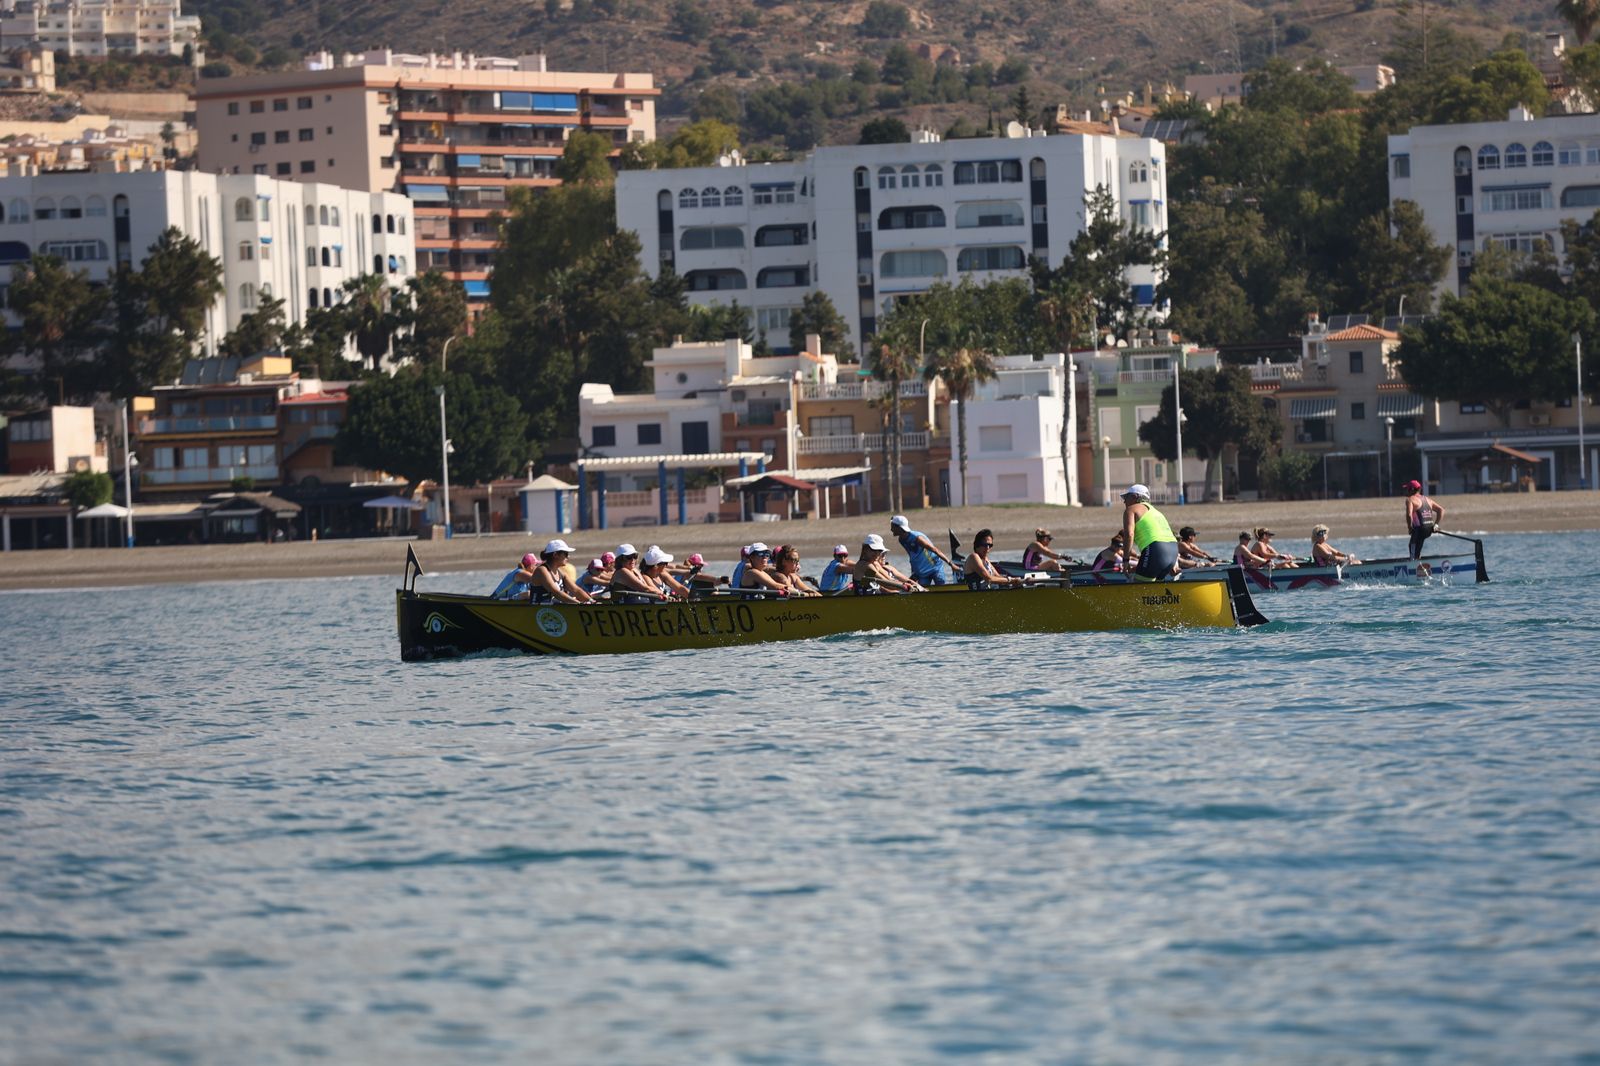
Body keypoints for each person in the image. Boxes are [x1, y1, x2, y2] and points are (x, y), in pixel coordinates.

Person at [1119, 483, 1180, 581]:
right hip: (1173, 550)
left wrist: (1126, 560)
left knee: (1140, 586)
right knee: (1155, 588)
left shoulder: (1131, 509)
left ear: (1134, 497)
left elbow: (1129, 535)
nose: (1124, 501)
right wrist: (1174, 562)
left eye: (1126, 497)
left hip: (1156, 549)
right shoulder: (1157, 512)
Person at [889, 515, 956, 585]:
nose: (891, 529)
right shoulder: (901, 540)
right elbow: (912, 556)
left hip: (935, 567)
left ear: (899, 528)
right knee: (922, 589)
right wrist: (914, 572)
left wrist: (951, 564)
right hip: (922, 572)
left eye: (892, 527)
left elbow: (935, 550)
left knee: (941, 586)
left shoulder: (917, 538)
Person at [527, 540, 595, 605]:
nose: (568, 556)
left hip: (554, 609)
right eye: (566, 554)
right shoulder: (542, 570)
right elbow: (556, 592)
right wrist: (579, 604)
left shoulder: (561, 573)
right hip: (539, 610)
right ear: (555, 555)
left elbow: (576, 590)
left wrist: (591, 601)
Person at [854, 532, 922, 593]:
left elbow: (889, 580)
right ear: (865, 549)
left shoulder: (875, 564)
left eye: (879, 550)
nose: (877, 553)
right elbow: (885, 583)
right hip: (863, 600)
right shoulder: (864, 565)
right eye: (874, 550)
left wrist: (916, 586)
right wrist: (903, 586)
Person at [1402, 478, 1444, 560]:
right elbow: (1441, 510)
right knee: (1418, 544)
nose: (1406, 491)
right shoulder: (1427, 499)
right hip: (1429, 528)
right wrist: (1436, 525)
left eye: (1407, 489)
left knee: (1412, 545)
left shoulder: (1410, 500)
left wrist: (1410, 528)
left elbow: (1409, 515)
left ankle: (1413, 563)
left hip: (1419, 529)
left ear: (1412, 489)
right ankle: (1418, 560)